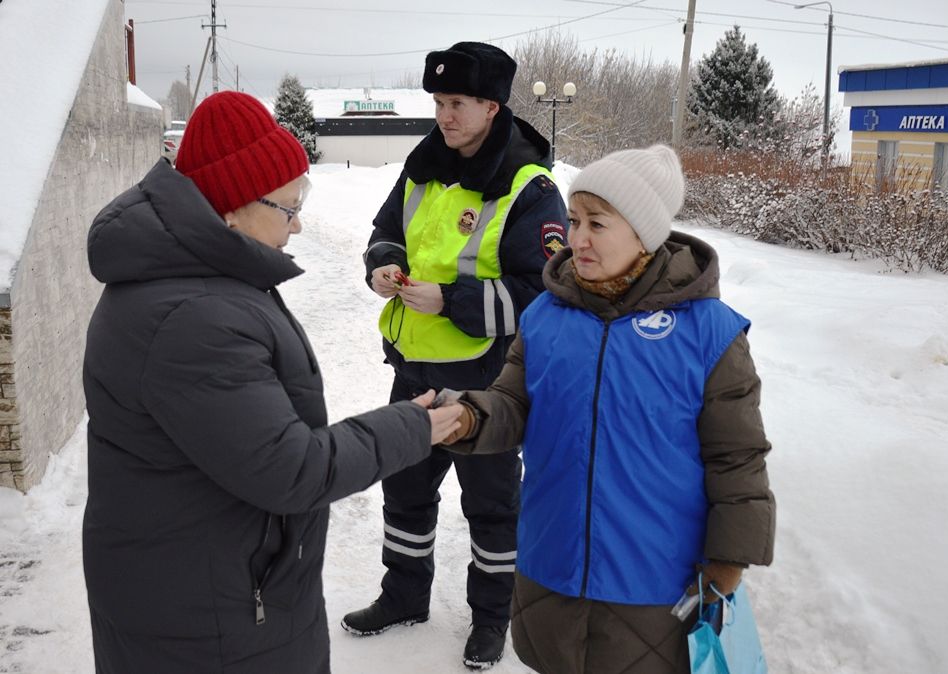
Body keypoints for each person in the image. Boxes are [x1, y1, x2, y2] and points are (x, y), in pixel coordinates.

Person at [81, 90, 463, 674]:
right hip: (211, 622)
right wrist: (414, 426)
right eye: (287, 206)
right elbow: (292, 470)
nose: (300, 221)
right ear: (231, 207)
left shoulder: (193, 277)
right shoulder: (192, 317)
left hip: (209, 590)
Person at [441, 145, 776, 673]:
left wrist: (729, 561)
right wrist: (467, 416)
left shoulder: (709, 333)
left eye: (597, 224)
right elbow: (513, 402)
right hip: (550, 564)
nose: (576, 239)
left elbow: (737, 458)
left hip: (652, 583)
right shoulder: (545, 316)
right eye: (574, 221)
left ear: (643, 232)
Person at [345, 41, 568, 669]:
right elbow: (386, 230)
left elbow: (540, 293)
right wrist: (384, 266)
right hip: (412, 371)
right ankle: (403, 597)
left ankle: (493, 619)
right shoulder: (421, 166)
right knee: (406, 494)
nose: (444, 115)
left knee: (492, 512)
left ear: (492, 107)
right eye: (439, 102)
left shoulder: (531, 187)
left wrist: (452, 302)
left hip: (486, 387)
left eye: (458, 103)